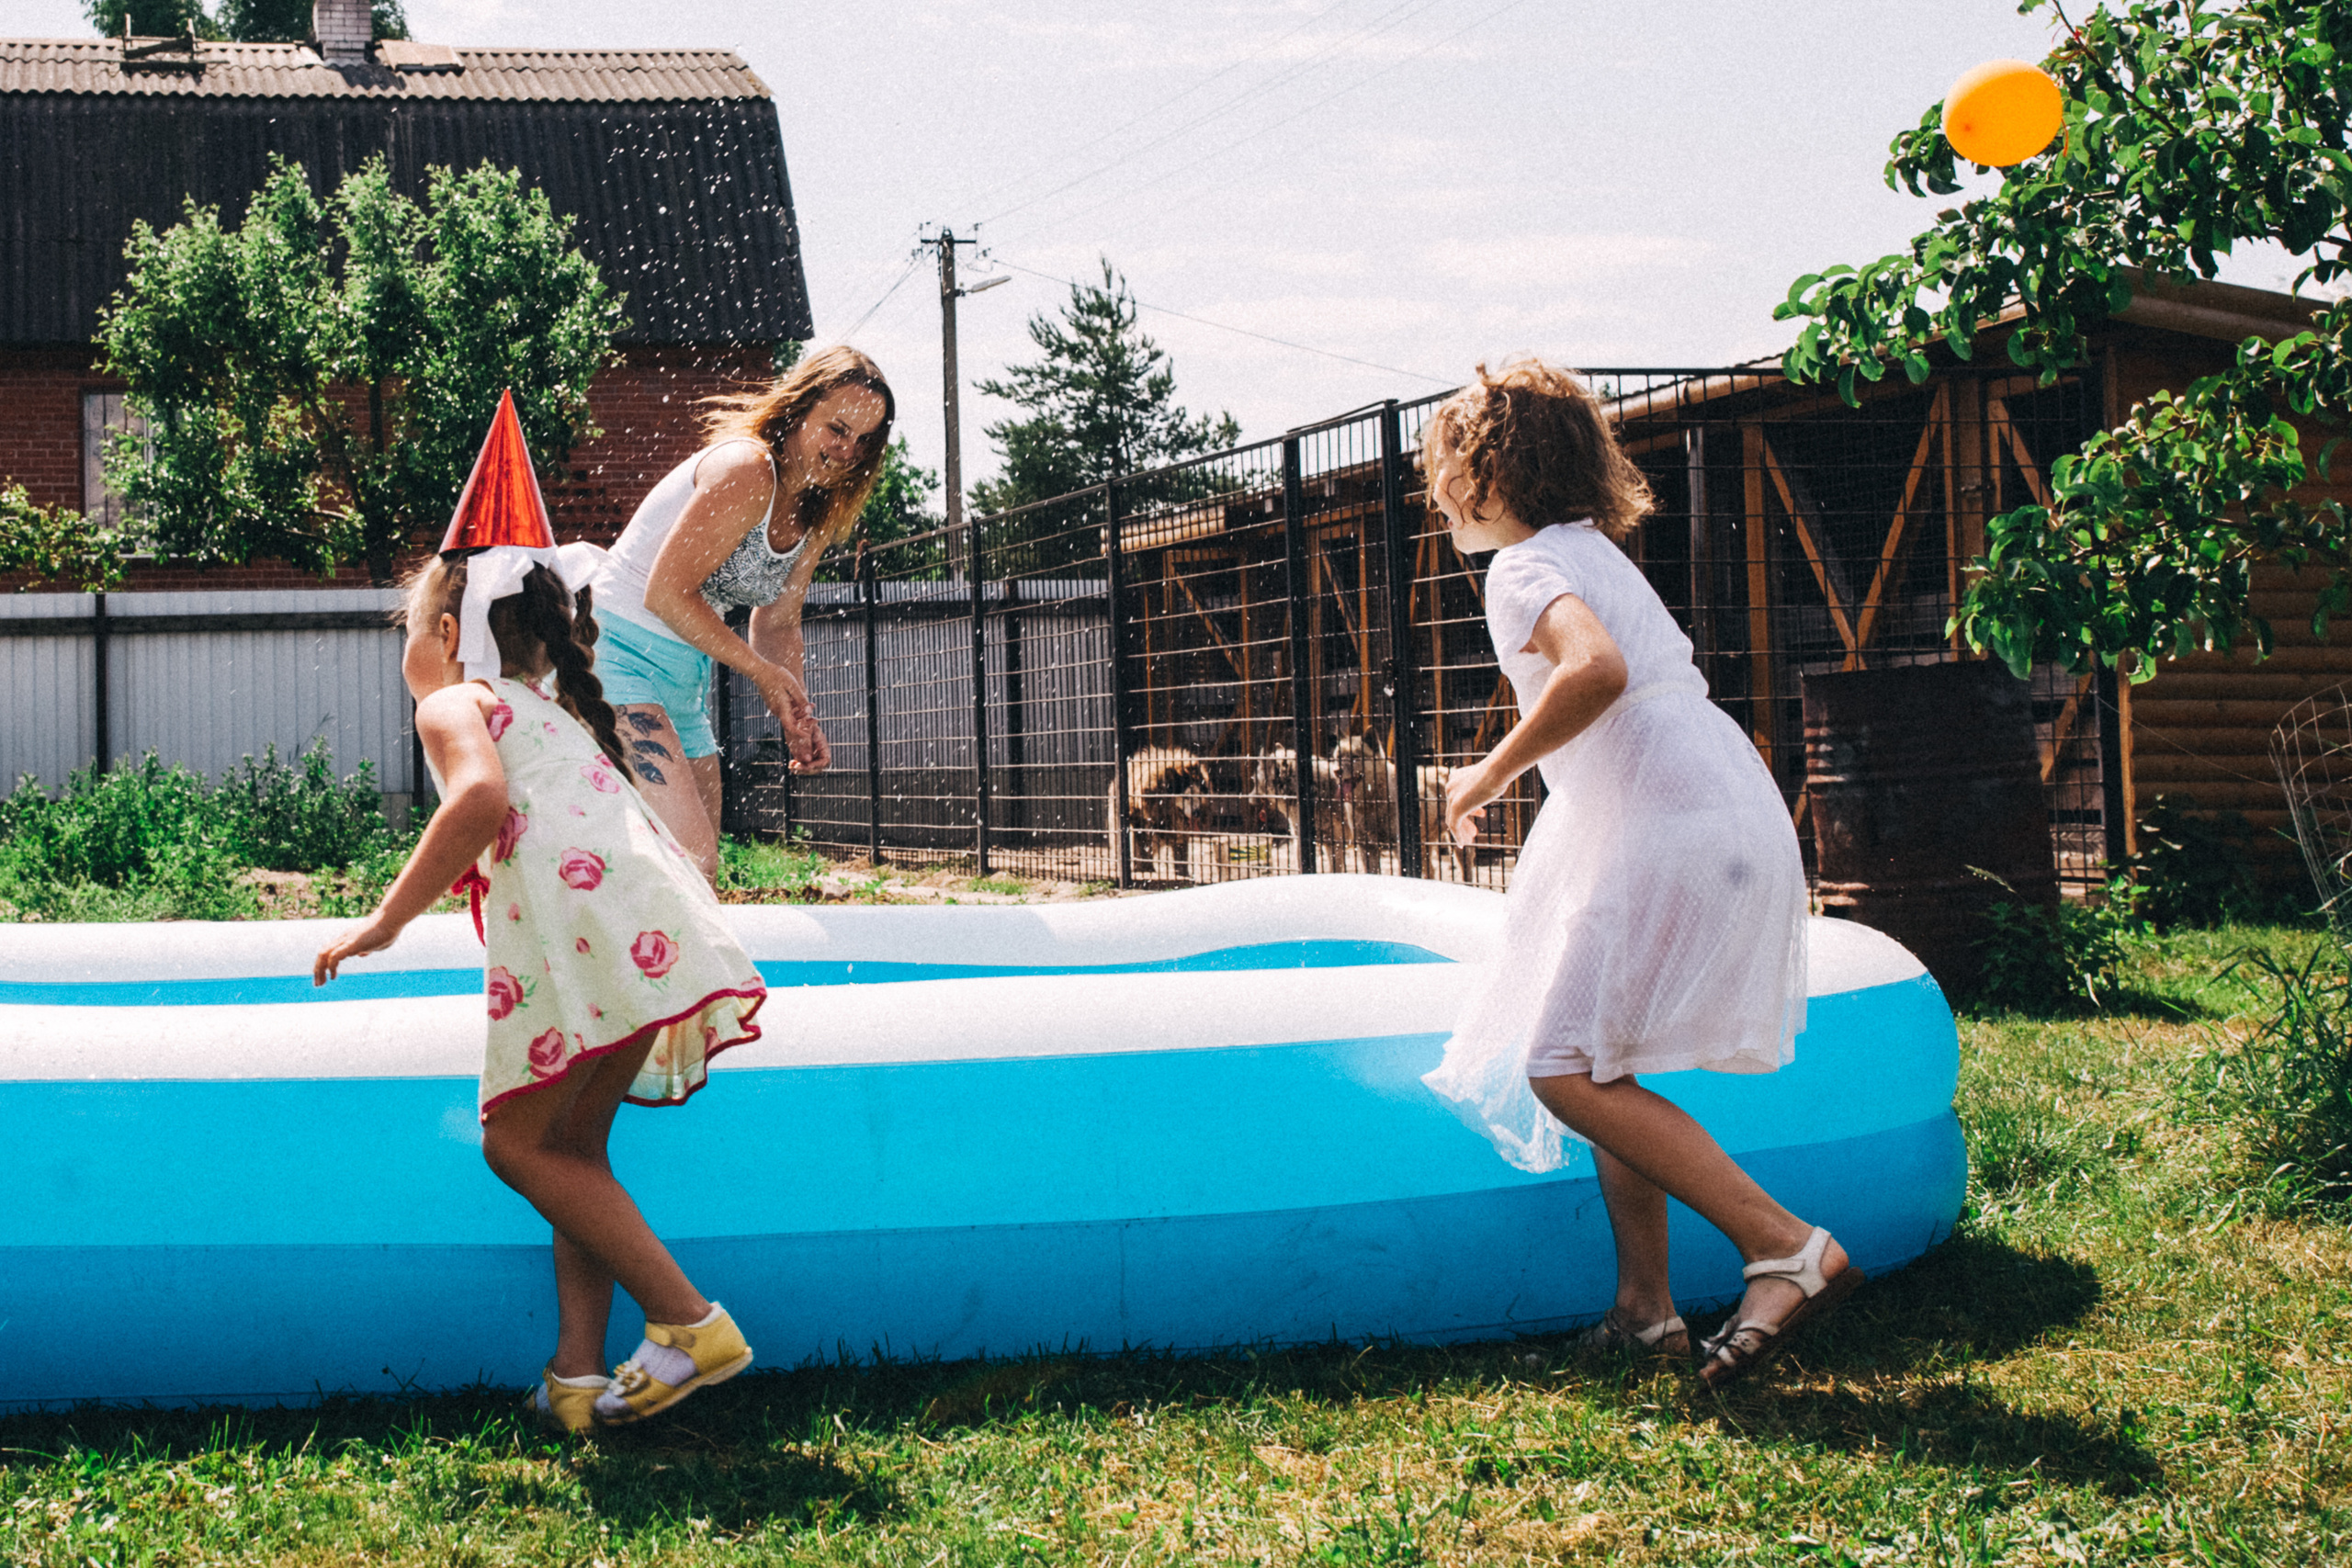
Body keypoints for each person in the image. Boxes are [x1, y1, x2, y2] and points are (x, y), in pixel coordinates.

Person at [1421, 360, 1860, 1390]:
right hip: (1717, 799)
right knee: (1604, 1060)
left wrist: (1483, 773)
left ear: (1486, 475)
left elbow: (1597, 672)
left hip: (1675, 816)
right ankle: (1644, 1310)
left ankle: (1785, 1247)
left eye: (1442, 469)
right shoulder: (1589, 553)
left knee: (1562, 1067)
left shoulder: (1523, 567)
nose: (1434, 491)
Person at [314, 548, 766, 1432]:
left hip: (592, 943)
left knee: (512, 1145)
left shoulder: (452, 701)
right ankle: (577, 1375)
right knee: (571, 1153)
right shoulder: (551, 710)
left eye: (410, 633)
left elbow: (478, 801)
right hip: (641, 932)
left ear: (448, 635)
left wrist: (384, 921)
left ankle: (689, 1320)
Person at [588, 346, 896, 880]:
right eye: (837, 429)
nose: (848, 450)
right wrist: (759, 672)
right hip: (613, 657)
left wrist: (796, 716)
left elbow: (776, 623)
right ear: (800, 409)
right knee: (691, 860)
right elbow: (665, 594)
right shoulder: (749, 470)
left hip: (681, 680)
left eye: (863, 440)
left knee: (700, 878)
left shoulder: (815, 511)